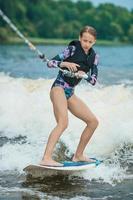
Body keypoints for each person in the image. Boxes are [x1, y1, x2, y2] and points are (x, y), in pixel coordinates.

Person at [40, 26, 99, 166]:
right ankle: (46, 158)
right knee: (63, 123)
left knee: (93, 122)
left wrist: (84, 75)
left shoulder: (94, 57)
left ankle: (78, 155)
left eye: (90, 42)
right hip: (59, 88)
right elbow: (50, 63)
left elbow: (94, 80)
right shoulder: (72, 49)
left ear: (94, 42)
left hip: (70, 92)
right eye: (84, 40)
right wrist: (65, 63)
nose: (86, 44)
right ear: (80, 38)